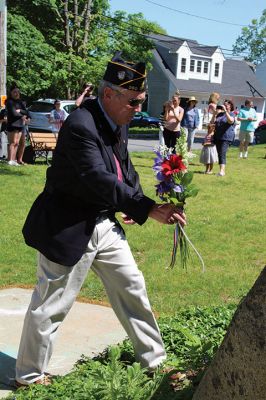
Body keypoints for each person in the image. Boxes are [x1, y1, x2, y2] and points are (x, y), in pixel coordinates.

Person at [15, 51, 186, 387]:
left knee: (131, 287)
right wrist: (147, 208)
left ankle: (155, 361)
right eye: (134, 102)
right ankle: (29, 377)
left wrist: (136, 201)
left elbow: (123, 167)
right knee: (52, 305)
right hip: (67, 225)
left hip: (102, 223)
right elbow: (97, 177)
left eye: (141, 102)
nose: (138, 109)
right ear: (109, 94)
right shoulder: (81, 123)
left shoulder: (115, 119)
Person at [6, 84, 30, 166]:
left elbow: (27, 112)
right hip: (12, 124)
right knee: (12, 142)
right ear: (11, 93)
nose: (16, 93)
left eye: (18, 92)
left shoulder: (20, 102)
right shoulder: (9, 102)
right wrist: (22, 116)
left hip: (20, 124)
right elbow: (14, 113)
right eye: (14, 92)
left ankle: (14, 160)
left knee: (17, 143)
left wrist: (20, 111)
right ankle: (10, 160)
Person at [211, 100, 235, 176]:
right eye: (223, 105)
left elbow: (231, 121)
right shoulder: (219, 114)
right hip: (218, 136)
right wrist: (214, 114)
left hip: (226, 137)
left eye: (226, 105)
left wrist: (225, 111)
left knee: (222, 153)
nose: (224, 106)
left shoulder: (232, 114)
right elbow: (212, 123)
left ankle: (222, 171)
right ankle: (221, 170)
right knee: (219, 153)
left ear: (230, 106)